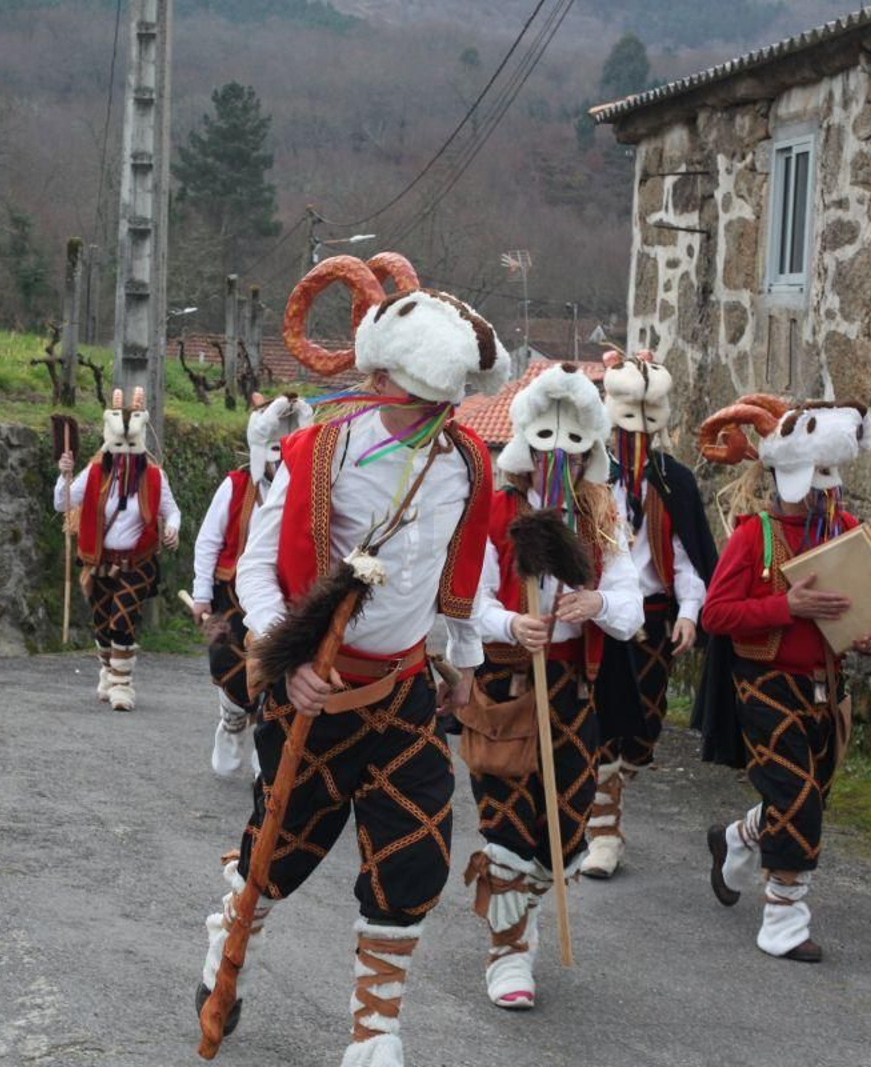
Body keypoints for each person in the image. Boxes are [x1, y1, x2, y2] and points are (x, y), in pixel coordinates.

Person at [196, 253, 506, 1067]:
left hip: (402, 691)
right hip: (313, 693)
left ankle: (376, 1030)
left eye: (450, 399)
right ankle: (225, 934)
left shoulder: (469, 465)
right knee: (278, 856)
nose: (440, 409)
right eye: (428, 394)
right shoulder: (317, 453)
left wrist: (462, 659)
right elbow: (256, 571)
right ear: (385, 375)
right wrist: (283, 654)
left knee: (415, 855)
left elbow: (458, 574)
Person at [462, 363, 643, 1010]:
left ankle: (523, 913)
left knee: (563, 835)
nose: (554, 456)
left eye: (569, 443)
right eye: (543, 442)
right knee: (507, 828)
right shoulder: (493, 509)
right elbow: (465, 602)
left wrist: (594, 602)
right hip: (506, 688)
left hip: (572, 692)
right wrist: (512, 621)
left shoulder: (602, 515)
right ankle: (508, 953)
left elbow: (630, 608)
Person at [696, 395, 871, 963]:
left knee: (805, 798)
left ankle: (736, 838)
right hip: (765, 686)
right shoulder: (753, 536)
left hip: (828, 687)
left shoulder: (847, 530)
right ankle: (783, 917)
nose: (825, 490)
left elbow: (864, 613)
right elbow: (716, 616)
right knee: (797, 800)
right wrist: (788, 606)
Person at [580, 350, 718, 879]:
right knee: (603, 725)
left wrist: (690, 612)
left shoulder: (673, 480)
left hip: (654, 622)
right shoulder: (591, 476)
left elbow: (686, 552)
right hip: (602, 617)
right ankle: (604, 834)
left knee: (642, 734)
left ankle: (606, 800)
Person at [190, 392, 313, 778]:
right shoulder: (235, 485)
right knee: (224, 665)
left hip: (282, 599)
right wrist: (200, 595)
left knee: (274, 674)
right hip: (228, 597)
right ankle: (230, 720)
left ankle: (266, 741)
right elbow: (208, 540)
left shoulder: (309, 490)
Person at [54, 388, 181, 712]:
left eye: (130, 447)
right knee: (102, 623)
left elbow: (172, 510)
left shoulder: (154, 476)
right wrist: (64, 474)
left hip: (138, 561)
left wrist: (171, 528)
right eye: (119, 446)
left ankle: (122, 686)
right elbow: (62, 502)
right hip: (99, 561)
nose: (125, 454)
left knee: (122, 619)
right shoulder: (95, 472)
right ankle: (108, 671)